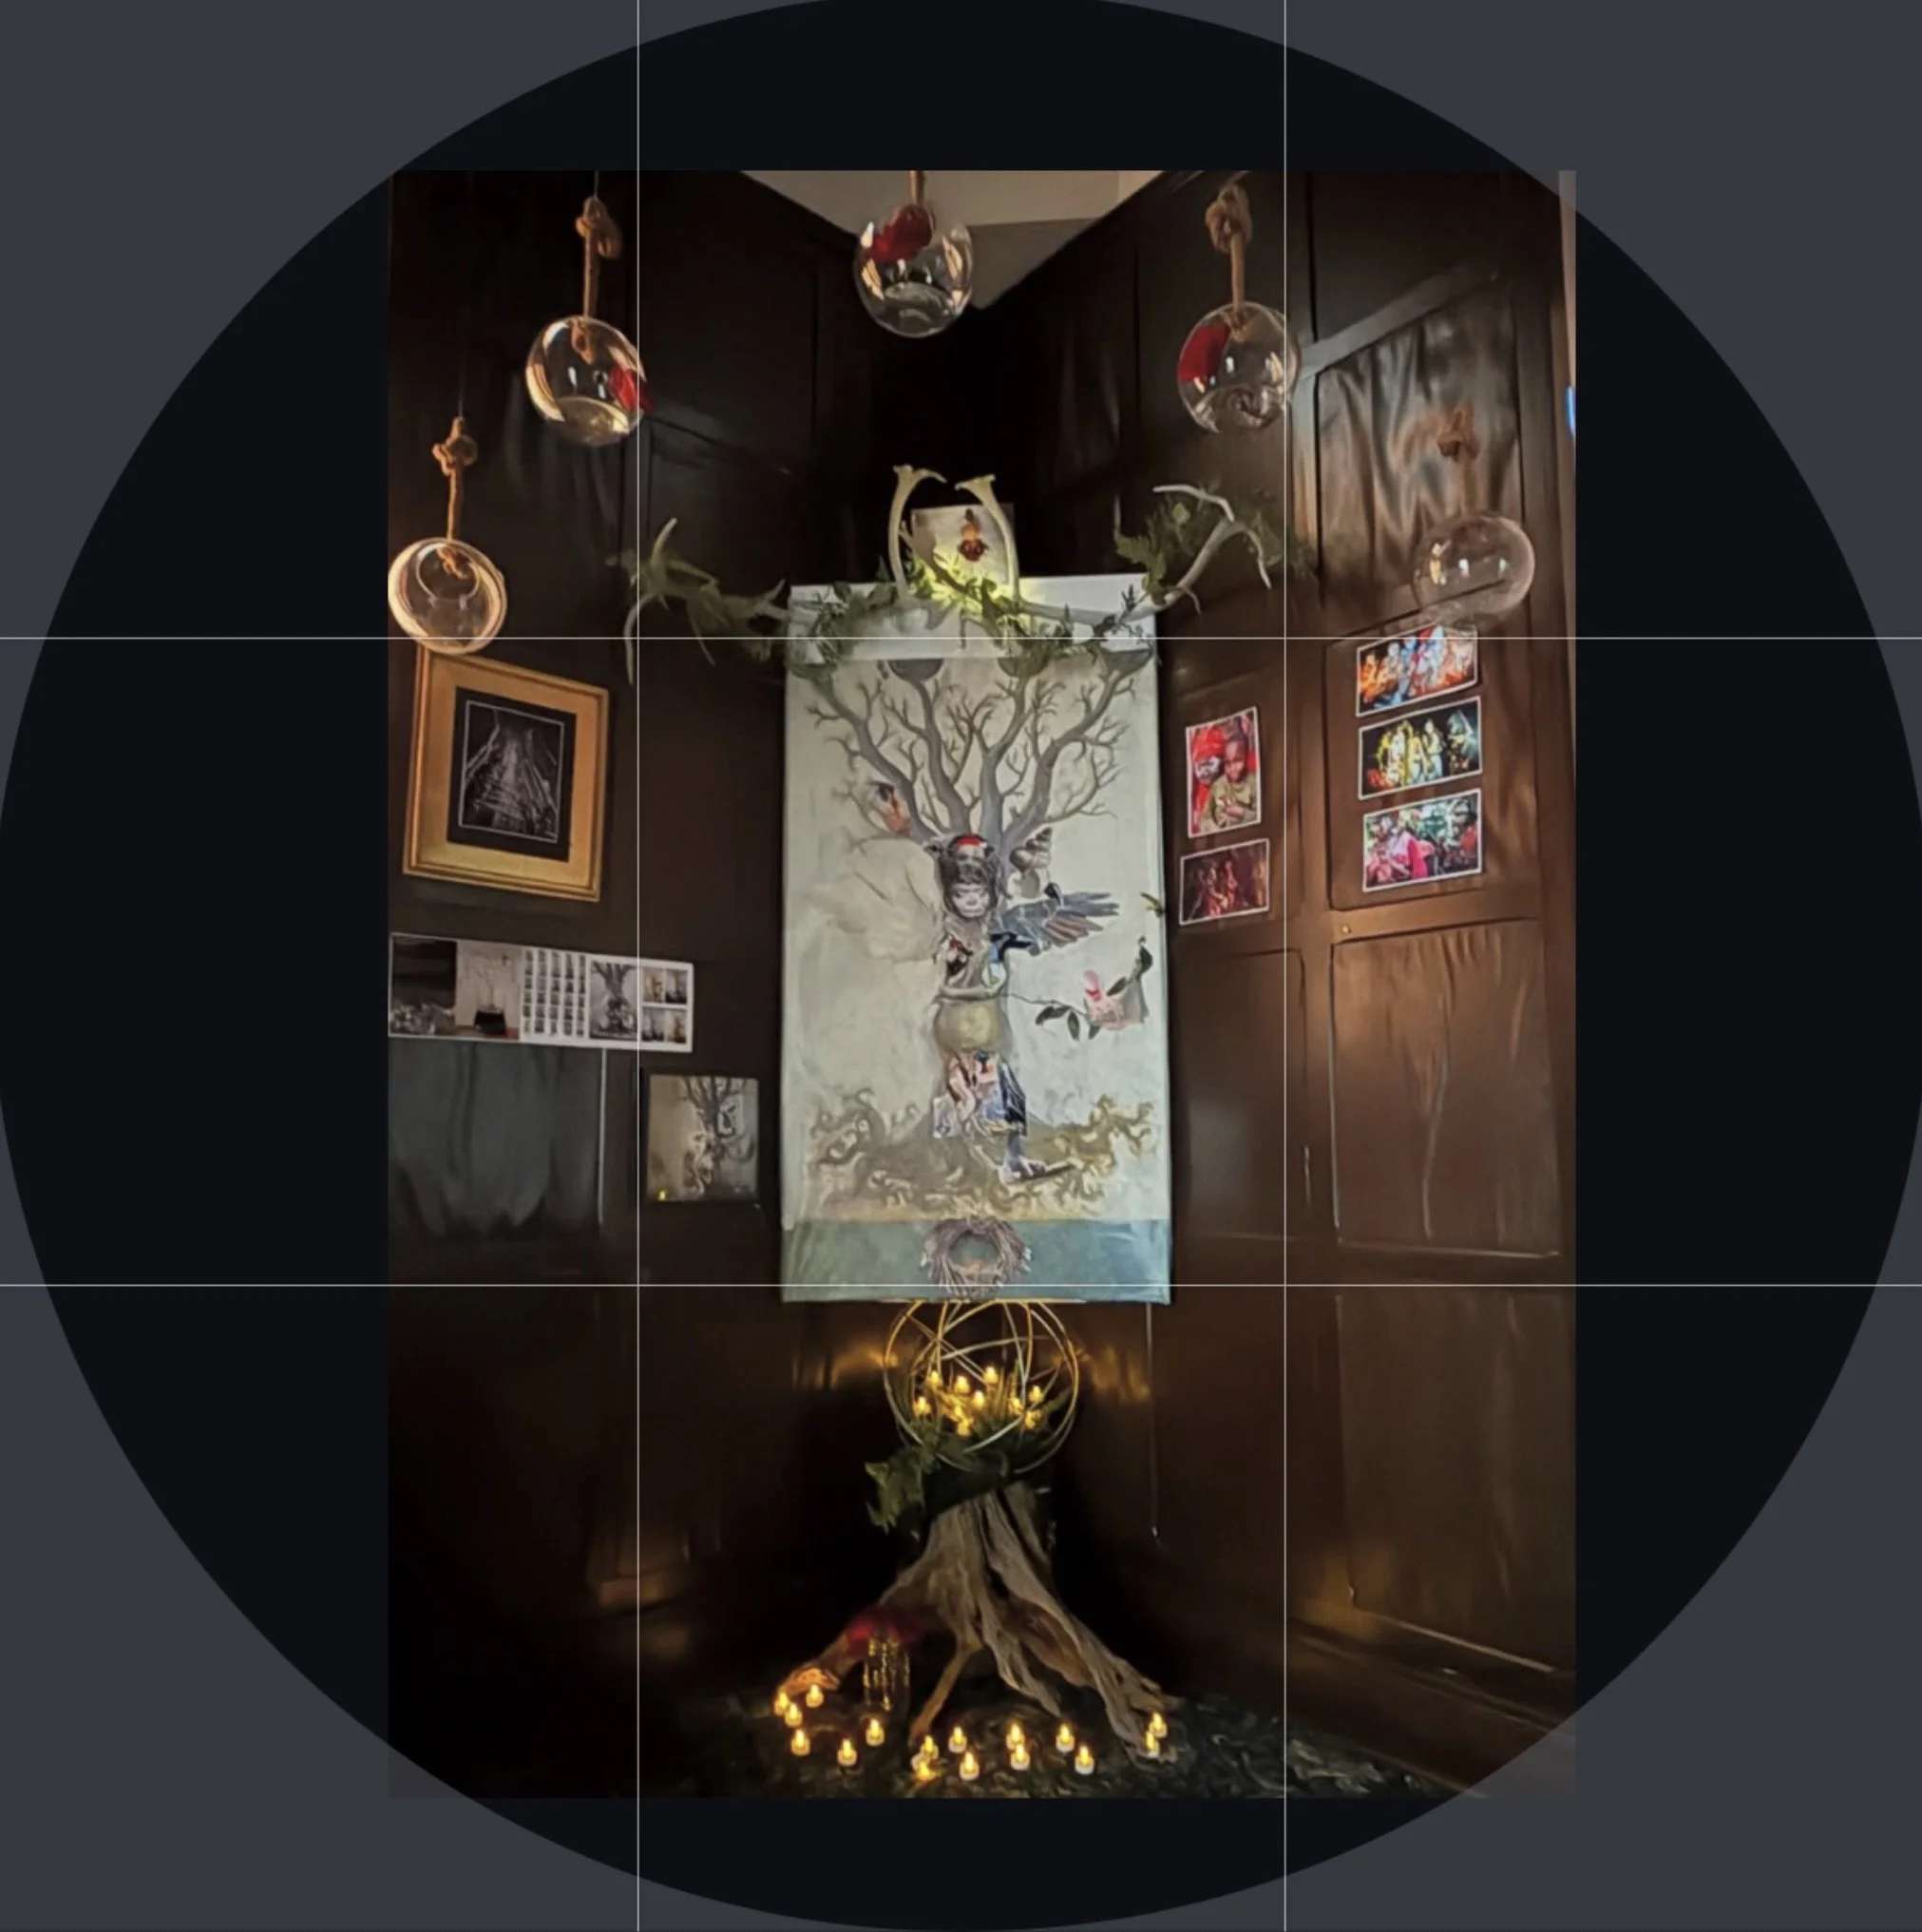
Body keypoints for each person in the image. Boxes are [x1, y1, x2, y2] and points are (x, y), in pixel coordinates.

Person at [1199, 728, 1258, 832]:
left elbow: (1264, 816)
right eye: (1227, 763)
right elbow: (1204, 818)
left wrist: (1243, 813)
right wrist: (1216, 830)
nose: (1232, 769)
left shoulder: (1254, 783)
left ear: (1246, 758)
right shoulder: (1218, 785)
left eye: (1237, 761)